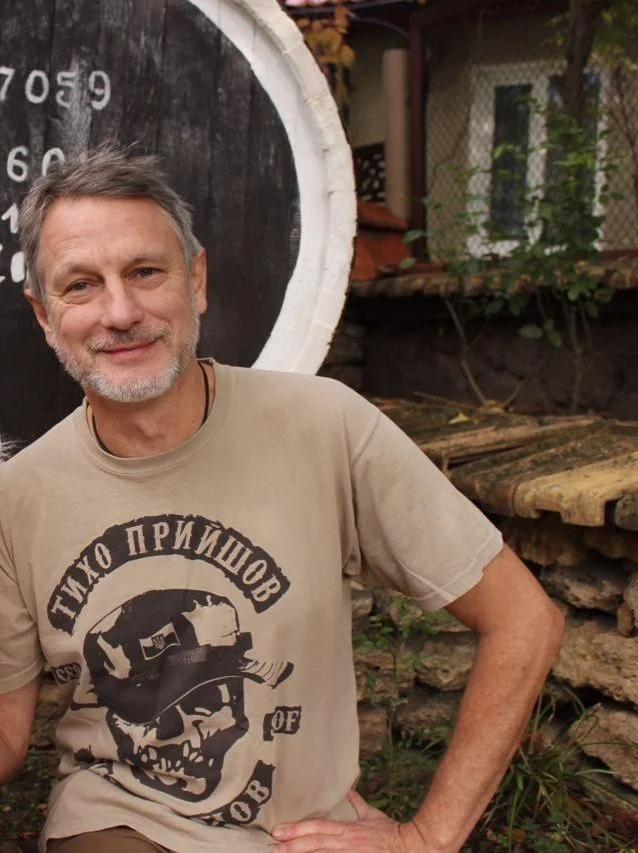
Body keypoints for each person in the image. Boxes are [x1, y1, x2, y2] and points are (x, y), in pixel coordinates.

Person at [0, 147, 564, 853]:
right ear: (44, 314)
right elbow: (8, 735)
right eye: (81, 285)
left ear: (196, 279)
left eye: (145, 272)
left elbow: (523, 619)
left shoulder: (325, 425)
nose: (120, 311)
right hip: (119, 824)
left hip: (305, 831)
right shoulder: (17, 498)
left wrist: (430, 836)